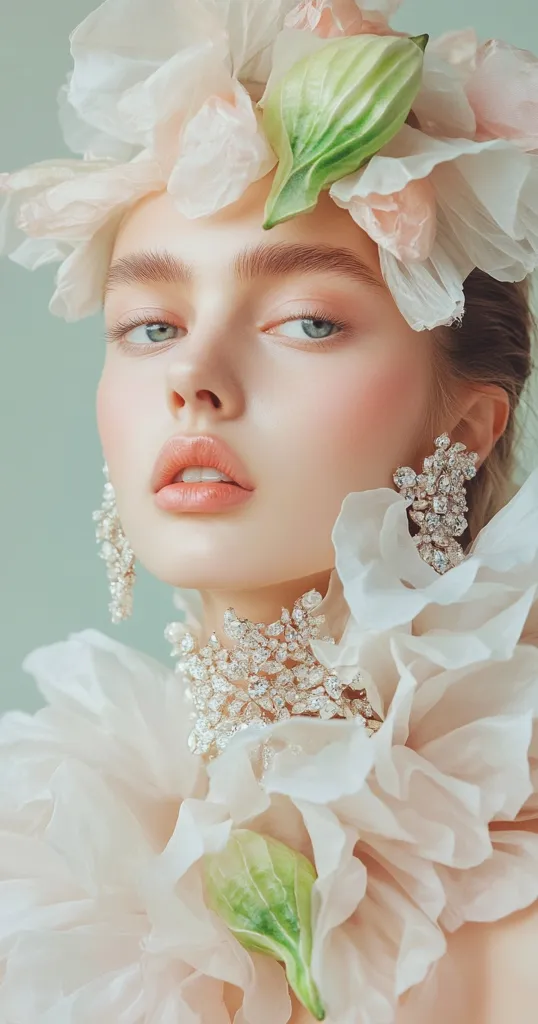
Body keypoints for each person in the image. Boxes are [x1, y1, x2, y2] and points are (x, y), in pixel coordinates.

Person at [1, 1, 538, 1021]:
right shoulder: (42, 869)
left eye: (308, 321)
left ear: (467, 426)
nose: (193, 378)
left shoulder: (515, 925)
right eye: (151, 326)